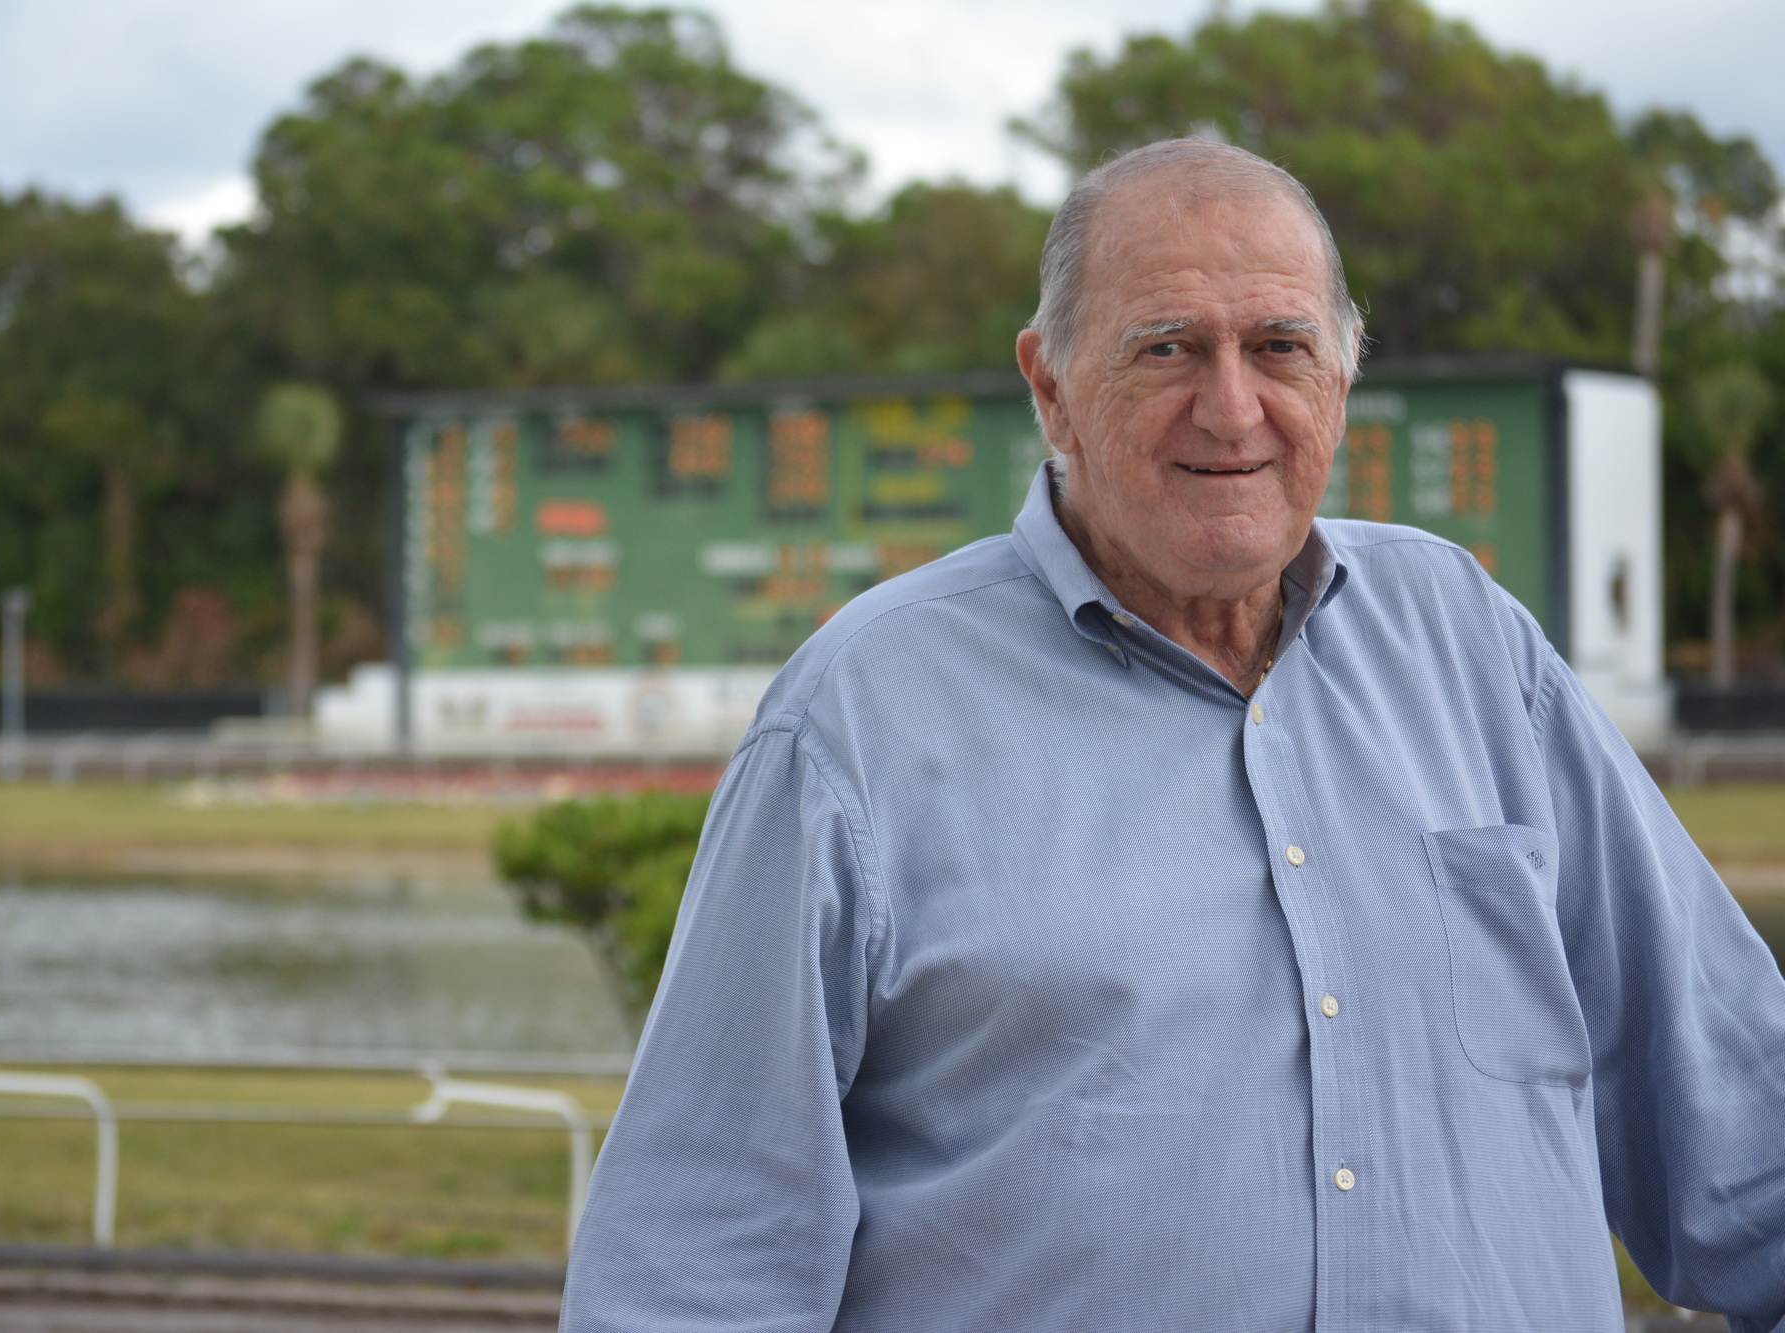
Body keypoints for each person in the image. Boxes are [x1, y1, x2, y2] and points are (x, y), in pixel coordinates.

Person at [559, 139, 1785, 1331]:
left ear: (1339, 378)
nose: (1232, 405)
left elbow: (1743, 1147)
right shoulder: (854, 720)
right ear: (1050, 387)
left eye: (1277, 347)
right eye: (1166, 349)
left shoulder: (1472, 645)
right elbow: (691, 1268)